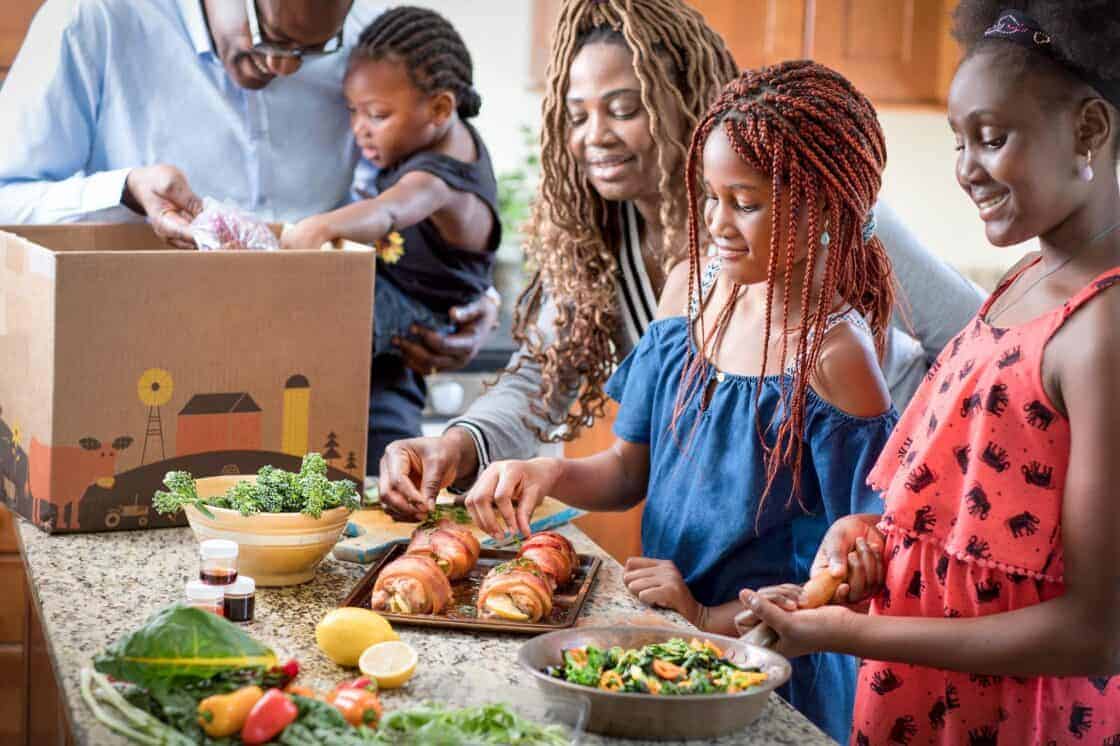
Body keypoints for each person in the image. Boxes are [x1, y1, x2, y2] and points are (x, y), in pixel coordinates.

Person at [377, 0, 983, 519]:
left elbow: (978, 344)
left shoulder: (812, 210)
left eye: (623, 109)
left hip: (854, 506)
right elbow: (543, 377)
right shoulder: (604, 234)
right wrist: (455, 446)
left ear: (684, 100)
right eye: (578, 113)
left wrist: (915, 468)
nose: (596, 135)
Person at [463, 61, 898, 743]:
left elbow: (850, 574)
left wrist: (704, 615)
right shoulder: (692, 295)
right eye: (710, 196)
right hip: (668, 643)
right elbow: (627, 472)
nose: (716, 222)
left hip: (771, 675)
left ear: (821, 207)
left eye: (745, 202)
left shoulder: (835, 357)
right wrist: (548, 473)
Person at [736, 4, 1120, 743]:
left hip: (1018, 723)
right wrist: (877, 537)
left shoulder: (1103, 330)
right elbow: (988, 526)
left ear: (1090, 130)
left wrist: (847, 634)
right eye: (958, 141)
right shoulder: (1025, 279)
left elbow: (1094, 632)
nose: (967, 169)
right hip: (925, 705)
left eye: (993, 137)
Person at [281, 6, 501, 471]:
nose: (359, 128)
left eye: (377, 115)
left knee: (311, 324)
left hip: (421, 317)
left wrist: (324, 226)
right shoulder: (429, 141)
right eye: (353, 111)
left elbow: (390, 209)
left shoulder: (438, 179)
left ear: (440, 108)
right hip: (400, 297)